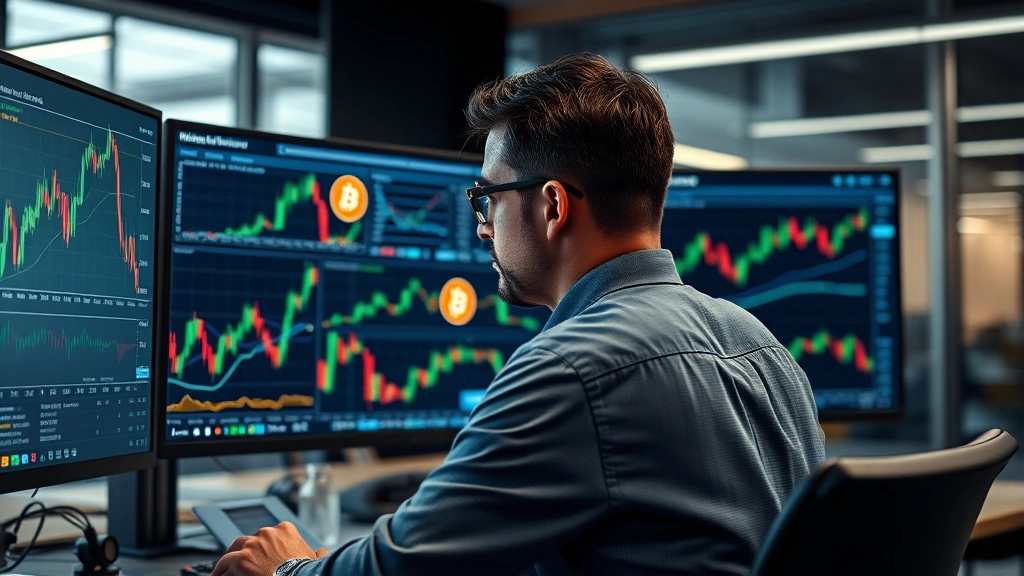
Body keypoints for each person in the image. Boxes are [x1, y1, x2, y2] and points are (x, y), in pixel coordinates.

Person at [211, 52, 826, 576]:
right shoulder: (762, 346)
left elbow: (402, 567)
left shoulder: (574, 368)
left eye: (487, 198)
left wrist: (290, 568)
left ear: (552, 206)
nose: (481, 227)